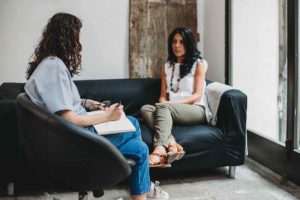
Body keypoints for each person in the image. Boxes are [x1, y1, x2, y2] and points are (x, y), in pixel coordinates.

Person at [24, 13, 168, 200]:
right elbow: (70, 119)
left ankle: (143, 185)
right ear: (66, 37)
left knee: (140, 149)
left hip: (71, 137)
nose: (78, 42)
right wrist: (108, 116)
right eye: (76, 36)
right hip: (76, 141)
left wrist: (87, 103)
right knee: (132, 123)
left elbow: (61, 101)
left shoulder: (48, 64)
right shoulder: (53, 67)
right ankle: (141, 184)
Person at [140, 27, 208, 167]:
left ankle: (159, 150)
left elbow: (197, 96)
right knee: (146, 108)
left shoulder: (199, 64)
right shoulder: (167, 67)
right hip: (170, 110)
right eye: (174, 42)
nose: (177, 45)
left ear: (189, 44)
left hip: (195, 109)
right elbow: (162, 96)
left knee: (162, 107)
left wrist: (170, 105)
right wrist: (165, 104)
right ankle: (172, 144)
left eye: (181, 42)